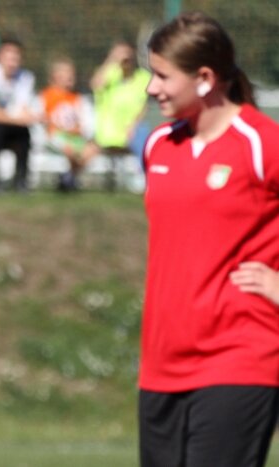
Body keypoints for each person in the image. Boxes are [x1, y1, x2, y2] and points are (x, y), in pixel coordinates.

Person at [140, 11, 279, 467]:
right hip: (160, 364)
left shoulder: (262, 144)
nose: (151, 88)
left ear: (204, 78)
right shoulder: (158, 145)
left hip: (241, 357)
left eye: (163, 76)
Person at [0, 38, 40, 192]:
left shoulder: (26, 77)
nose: (13, 62)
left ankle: (21, 181)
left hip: (10, 123)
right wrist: (18, 119)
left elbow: (24, 108)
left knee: (24, 135)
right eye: (9, 57)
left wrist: (29, 117)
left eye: (16, 57)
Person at [39, 56, 99, 191]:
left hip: (74, 137)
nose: (70, 77)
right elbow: (41, 119)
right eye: (66, 73)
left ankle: (68, 177)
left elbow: (86, 123)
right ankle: (69, 179)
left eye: (71, 73)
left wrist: (82, 132)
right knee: (70, 150)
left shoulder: (78, 98)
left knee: (93, 149)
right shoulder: (46, 95)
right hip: (55, 136)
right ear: (55, 76)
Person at [90, 39, 151, 159]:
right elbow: (96, 84)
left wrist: (135, 126)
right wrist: (112, 59)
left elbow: (146, 106)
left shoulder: (143, 78)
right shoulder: (110, 75)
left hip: (131, 141)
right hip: (106, 140)